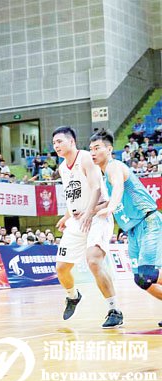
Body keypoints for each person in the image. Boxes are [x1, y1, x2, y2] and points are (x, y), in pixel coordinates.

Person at [52, 126, 122, 328]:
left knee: (93, 260)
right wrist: (67, 216)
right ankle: (73, 296)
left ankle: (114, 310)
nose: (56, 146)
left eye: (60, 141)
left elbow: (96, 188)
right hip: (78, 219)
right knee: (61, 269)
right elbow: (73, 195)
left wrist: (89, 213)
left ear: (71, 142)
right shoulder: (62, 168)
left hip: (97, 215)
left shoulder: (85, 158)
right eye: (54, 143)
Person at [90, 131, 162, 327]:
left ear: (109, 149)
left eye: (97, 148)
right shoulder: (104, 177)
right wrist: (86, 212)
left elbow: (119, 188)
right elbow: (109, 200)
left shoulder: (114, 167)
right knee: (141, 280)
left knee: (148, 274)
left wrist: (110, 208)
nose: (93, 152)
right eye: (91, 149)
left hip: (148, 222)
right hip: (133, 231)